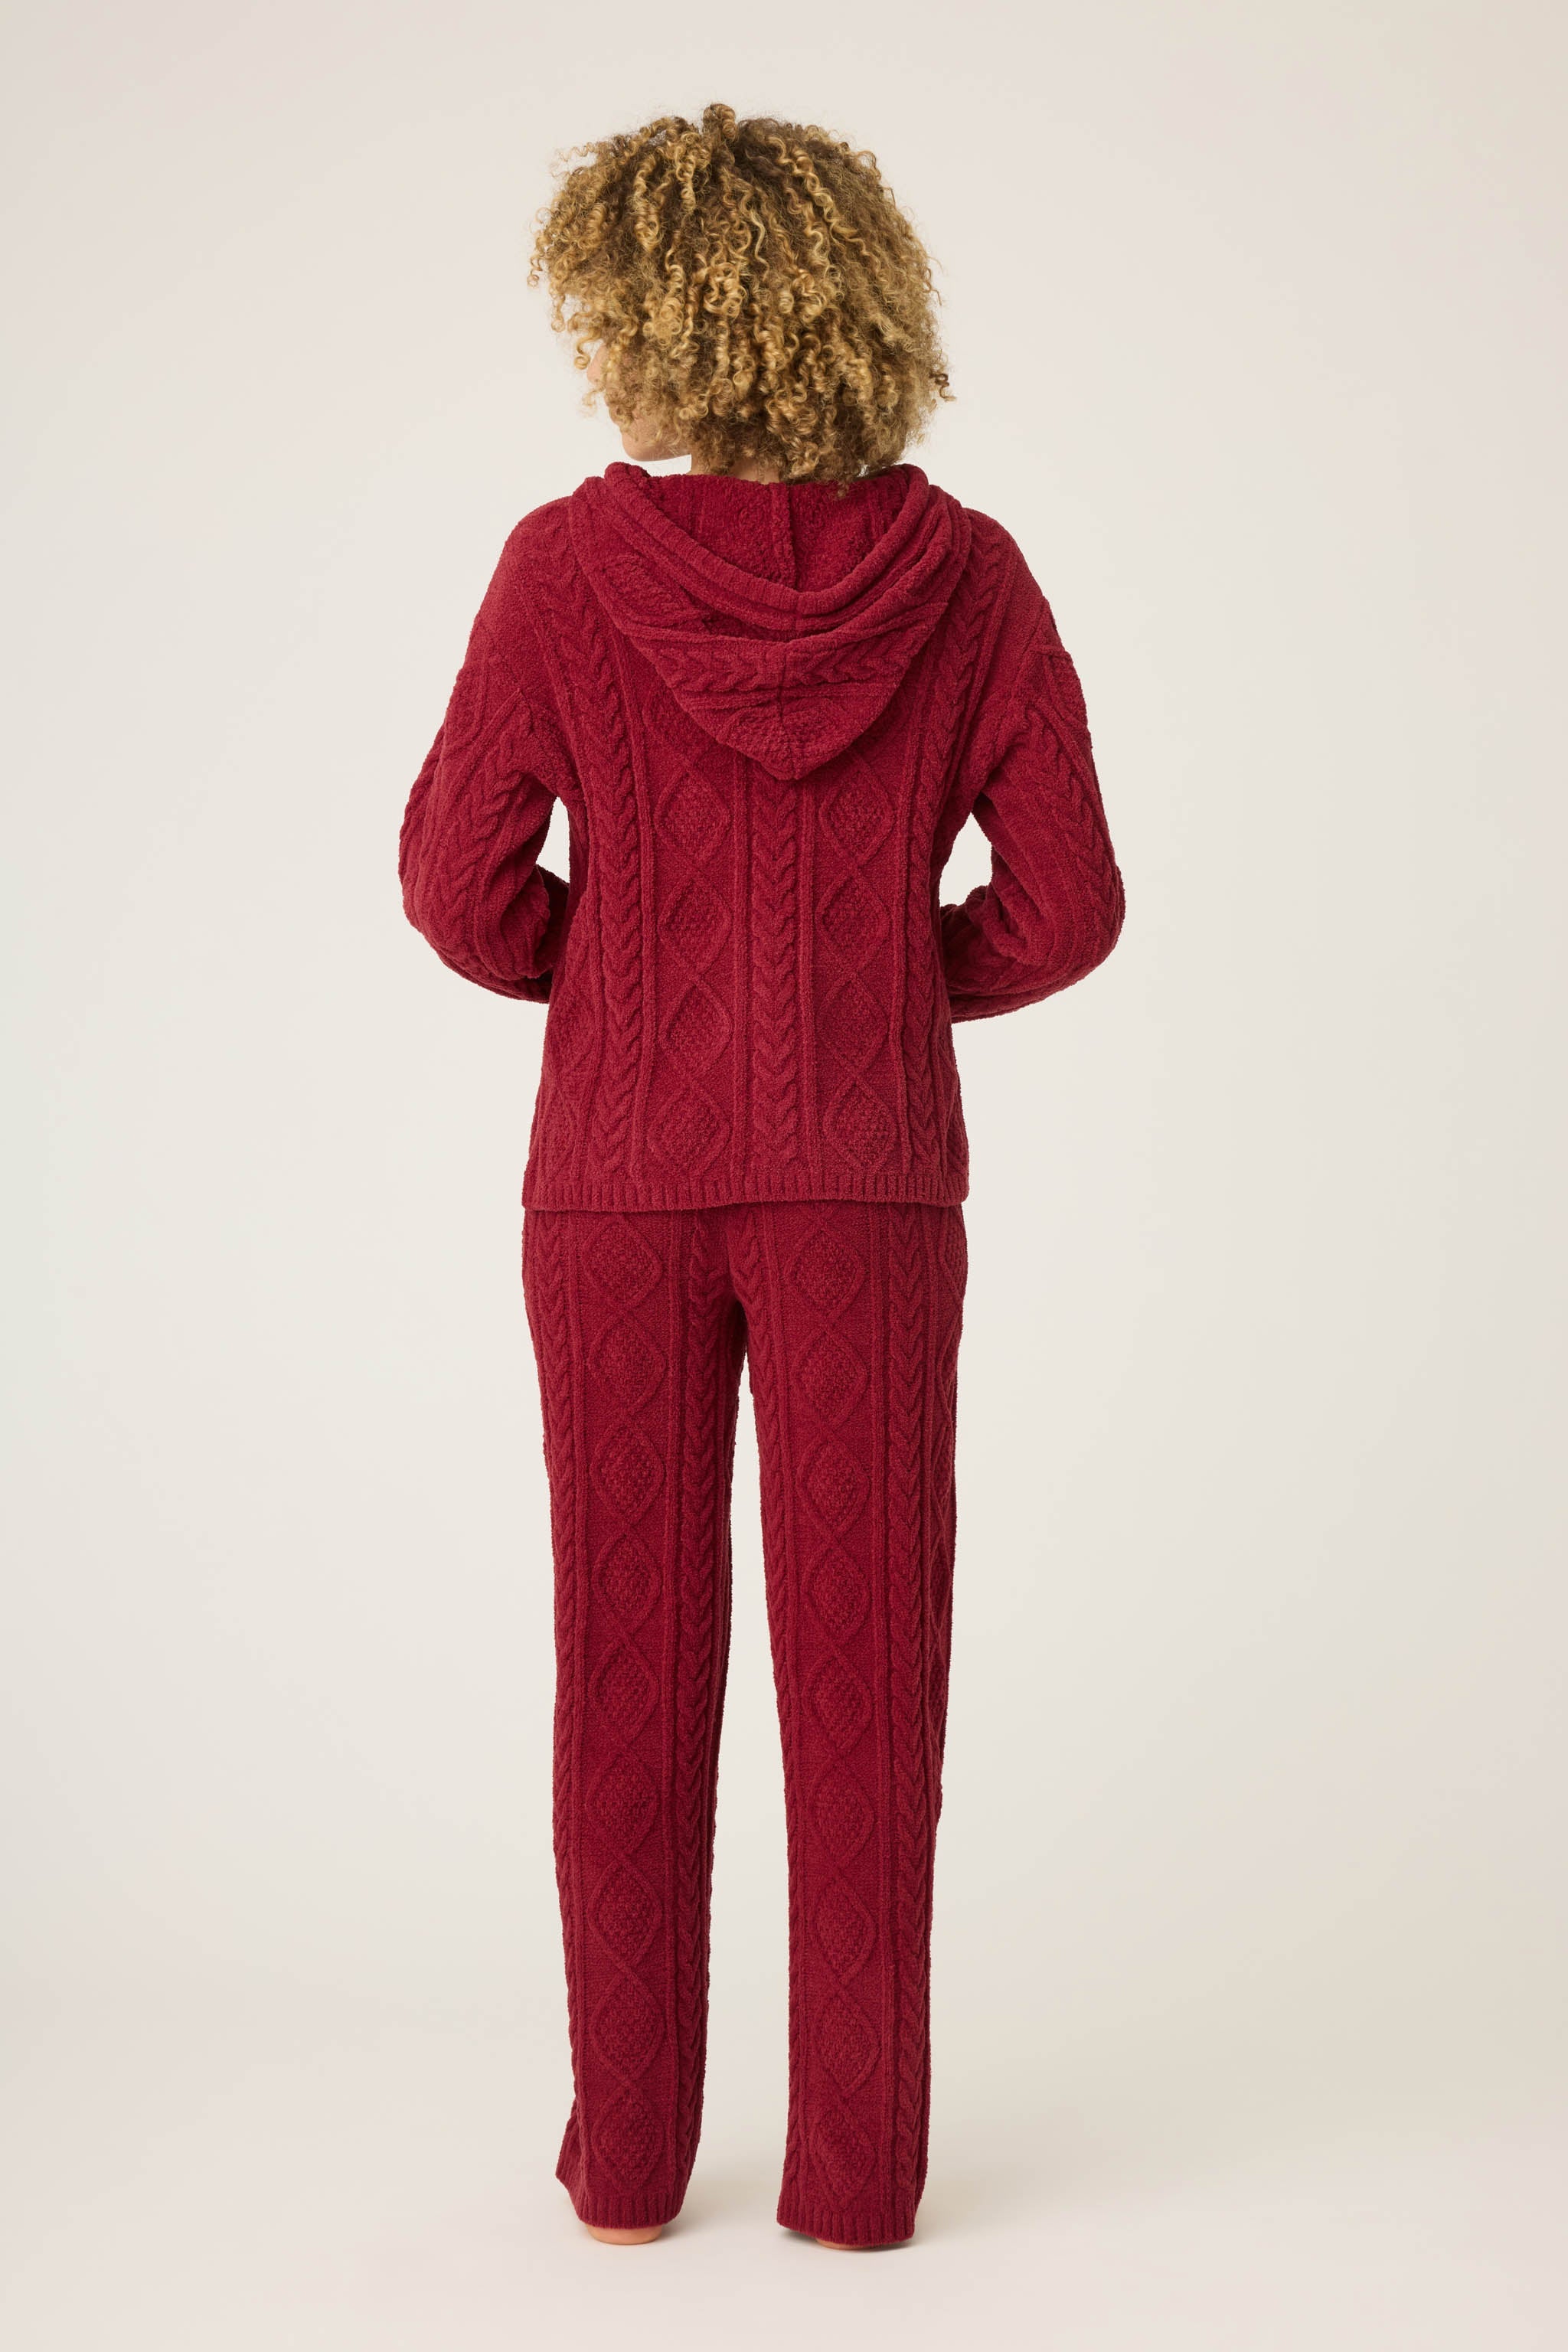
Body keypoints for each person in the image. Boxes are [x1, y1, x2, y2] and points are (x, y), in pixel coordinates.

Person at [397, 101, 1125, 2252]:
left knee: (626, 1662)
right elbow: (1071, 905)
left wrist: (617, 977)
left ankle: (630, 2170)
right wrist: (878, 993)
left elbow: (453, 884)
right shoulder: (969, 579)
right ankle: (857, 2181)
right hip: (867, 1196)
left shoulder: (563, 569)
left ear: (651, 318)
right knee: (867, 1672)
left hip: (613, 1190)